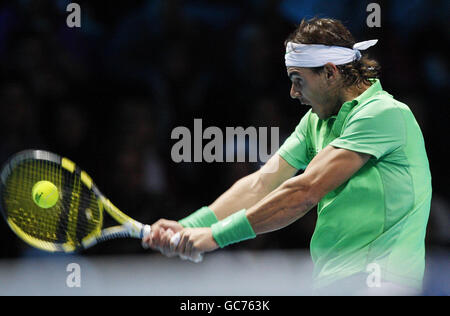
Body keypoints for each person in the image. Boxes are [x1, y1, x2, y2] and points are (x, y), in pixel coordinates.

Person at [142, 18, 432, 295]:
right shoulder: (314, 122)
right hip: (332, 282)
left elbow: (304, 192)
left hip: (382, 281)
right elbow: (261, 183)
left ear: (330, 72)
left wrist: (215, 236)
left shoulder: (382, 114)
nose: (293, 92)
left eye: (298, 79)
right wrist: (190, 226)